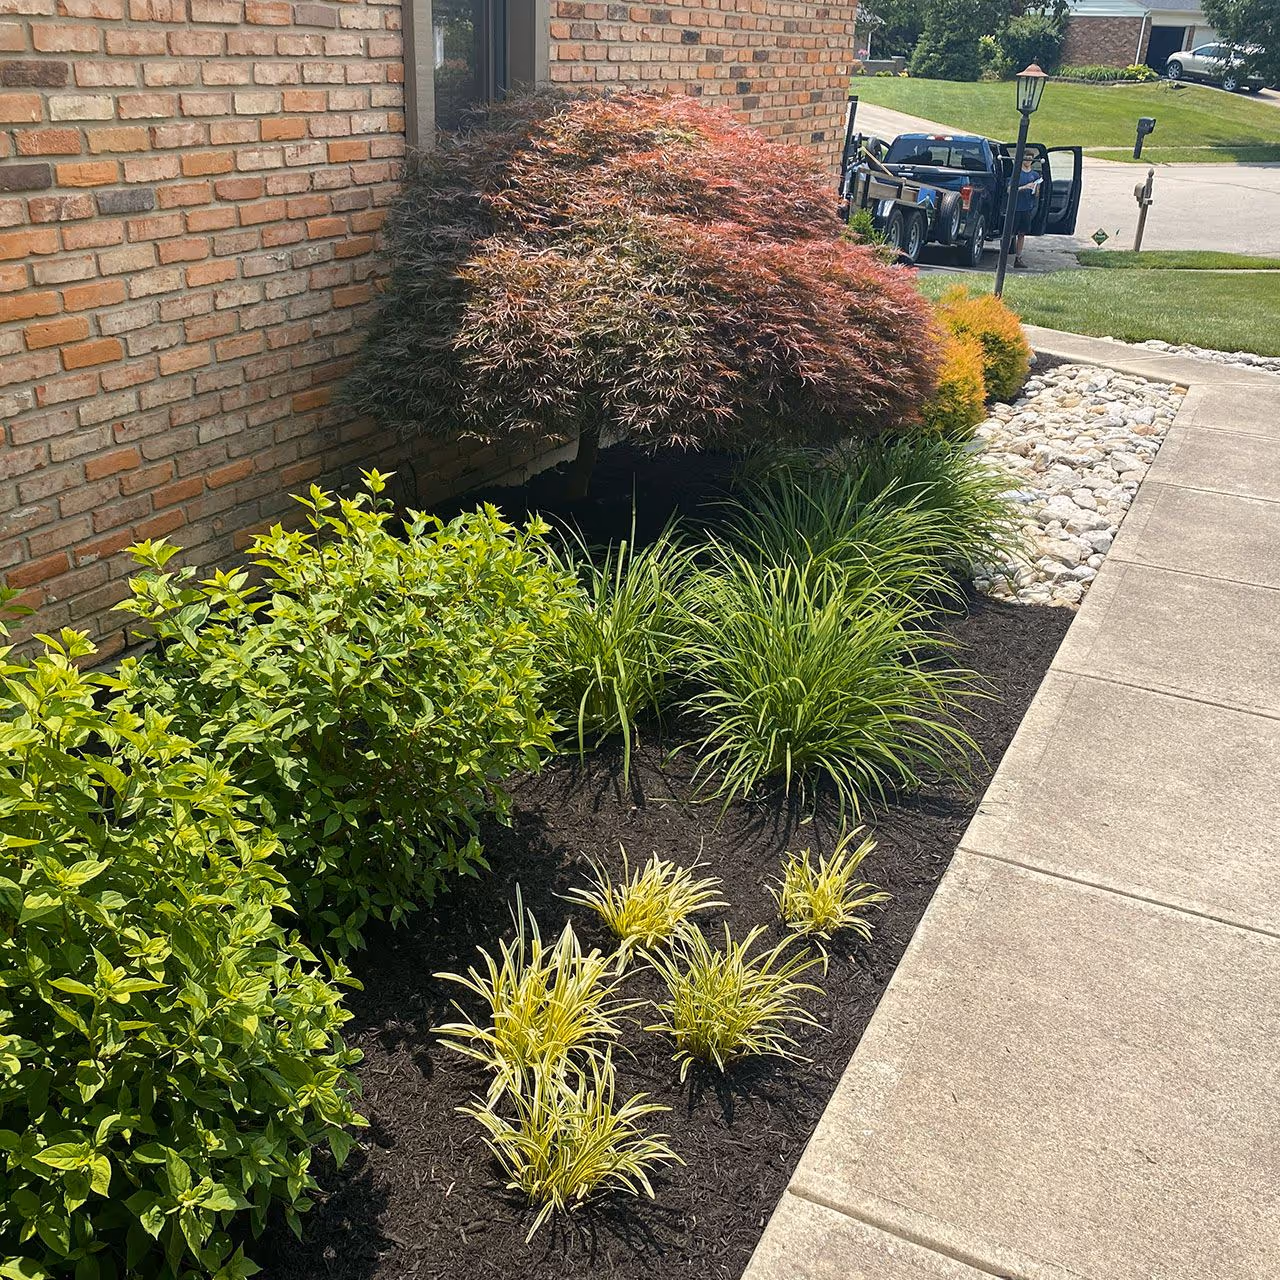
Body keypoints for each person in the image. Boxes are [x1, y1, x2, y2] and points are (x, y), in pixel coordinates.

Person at [1013, 153, 1042, 269]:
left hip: (1027, 208)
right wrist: (1024, 187)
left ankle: (1018, 258)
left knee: (1022, 233)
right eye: (1026, 158)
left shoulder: (1034, 175)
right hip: (1015, 208)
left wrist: (1036, 188)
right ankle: (1004, 257)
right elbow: (1010, 190)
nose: (1028, 161)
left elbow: (1037, 195)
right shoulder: (1016, 173)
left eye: (1031, 159)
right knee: (1010, 233)